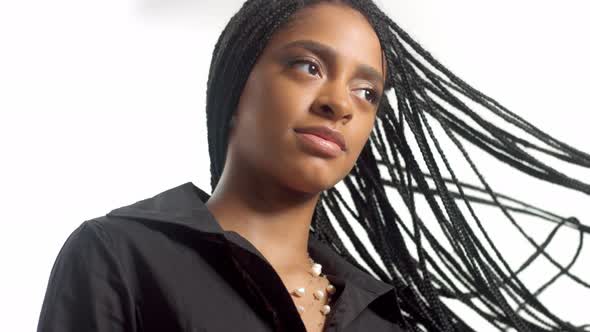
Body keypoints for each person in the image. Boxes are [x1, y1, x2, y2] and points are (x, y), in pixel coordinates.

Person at [37, 0, 590, 331]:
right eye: (307, 66)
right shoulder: (121, 256)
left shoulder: (380, 318)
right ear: (236, 88)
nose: (340, 103)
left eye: (368, 91)